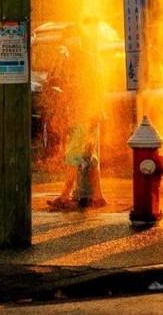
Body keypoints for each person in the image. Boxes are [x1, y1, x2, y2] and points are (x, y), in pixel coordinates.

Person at [47, 24, 107, 210]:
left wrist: (57, 114)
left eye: (70, 37)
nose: (69, 42)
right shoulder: (86, 60)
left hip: (83, 116)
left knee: (72, 156)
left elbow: (70, 91)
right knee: (89, 157)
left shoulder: (77, 61)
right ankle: (98, 196)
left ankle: (65, 197)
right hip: (89, 116)